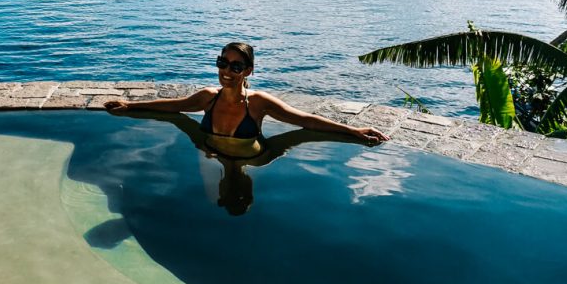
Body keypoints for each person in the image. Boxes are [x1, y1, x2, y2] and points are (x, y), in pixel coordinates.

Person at [104, 42, 389, 161]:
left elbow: (303, 120)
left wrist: (354, 132)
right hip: (211, 154)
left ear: (248, 71)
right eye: (222, 63)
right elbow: (173, 105)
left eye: (236, 67)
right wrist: (130, 107)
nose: (227, 72)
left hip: (252, 158)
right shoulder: (207, 98)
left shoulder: (258, 103)